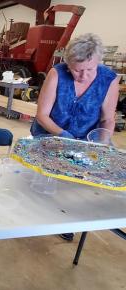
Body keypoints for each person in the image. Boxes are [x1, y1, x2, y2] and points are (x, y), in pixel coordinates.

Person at [31, 33, 119, 241]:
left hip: (87, 139)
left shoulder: (108, 79)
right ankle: (43, 214)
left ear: (98, 62)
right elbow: (42, 115)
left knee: (81, 182)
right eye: (76, 70)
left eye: (89, 70)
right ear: (68, 63)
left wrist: (100, 144)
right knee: (47, 179)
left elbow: (107, 119)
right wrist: (64, 135)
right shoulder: (57, 74)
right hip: (52, 134)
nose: (82, 76)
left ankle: (66, 217)